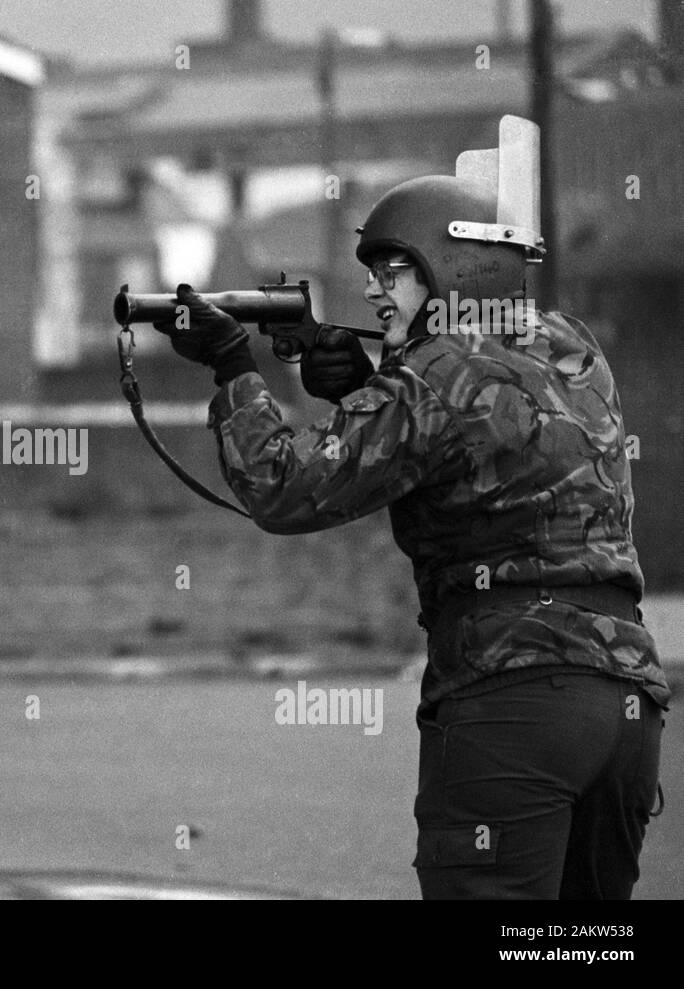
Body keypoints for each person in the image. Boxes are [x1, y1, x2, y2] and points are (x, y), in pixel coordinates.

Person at [154, 171, 669, 899]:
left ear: (450, 269)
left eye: (392, 272)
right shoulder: (573, 353)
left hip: (513, 700)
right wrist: (369, 383)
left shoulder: (430, 377)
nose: (373, 291)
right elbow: (493, 430)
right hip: (624, 705)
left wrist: (235, 368)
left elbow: (283, 486)